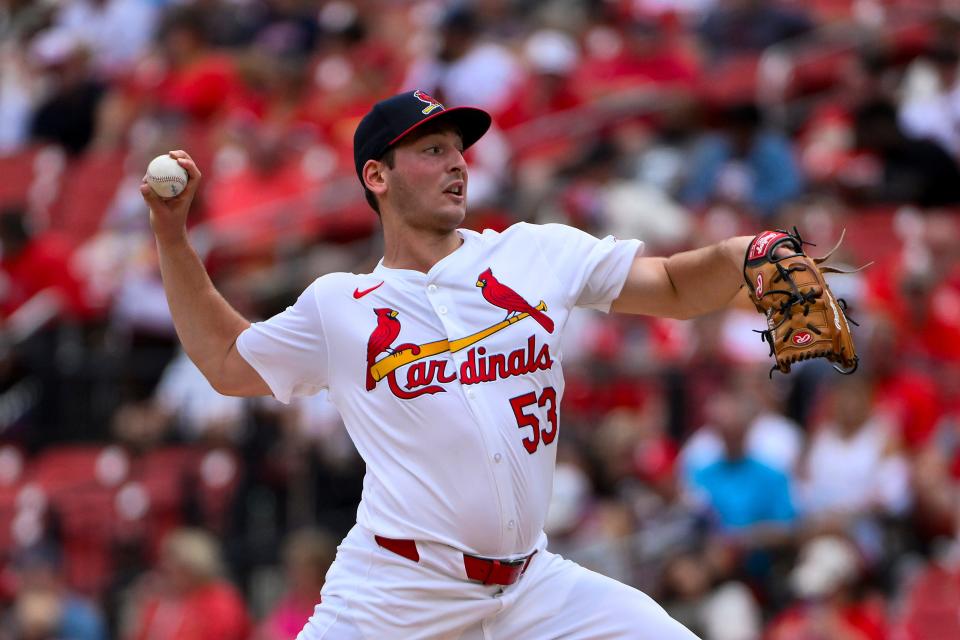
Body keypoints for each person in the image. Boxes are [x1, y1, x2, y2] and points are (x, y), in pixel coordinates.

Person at [140, 89, 762, 639]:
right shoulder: (341, 306)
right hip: (397, 589)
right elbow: (225, 360)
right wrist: (172, 237)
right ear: (377, 176)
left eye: (458, 149)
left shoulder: (534, 254)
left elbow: (675, 286)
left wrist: (742, 255)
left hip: (530, 585)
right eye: (432, 150)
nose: (458, 162)